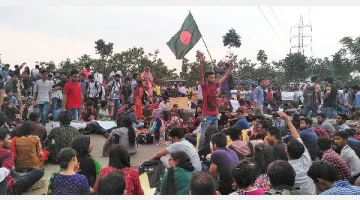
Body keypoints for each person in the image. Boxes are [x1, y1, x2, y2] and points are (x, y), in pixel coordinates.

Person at [198, 52, 233, 150]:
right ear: (206, 79)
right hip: (206, 116)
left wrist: (231, 66)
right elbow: (200, 75)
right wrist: (201, 64)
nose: (213, 79)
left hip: (215, 115)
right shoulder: (204, 86)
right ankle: (200, 152)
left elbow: (225, 76)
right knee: (204, 134)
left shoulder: (216, 85)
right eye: (211, 77)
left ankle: (215, 151)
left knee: (216, 136)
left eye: (214, 77)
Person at [280, 111, 316, 195]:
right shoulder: (306, 157)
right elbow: (296, 136)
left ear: (286, 150)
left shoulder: (287, 169)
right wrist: (287, 120)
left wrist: (287, 119)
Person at [0, 127, 44, 195]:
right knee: (39, 171)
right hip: (8, 189)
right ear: (1, 141)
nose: (11, 141)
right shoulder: (7, 154)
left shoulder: (16, 140)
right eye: (9, 139)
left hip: (12, 172)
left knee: (11, 171)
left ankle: (18, 178)